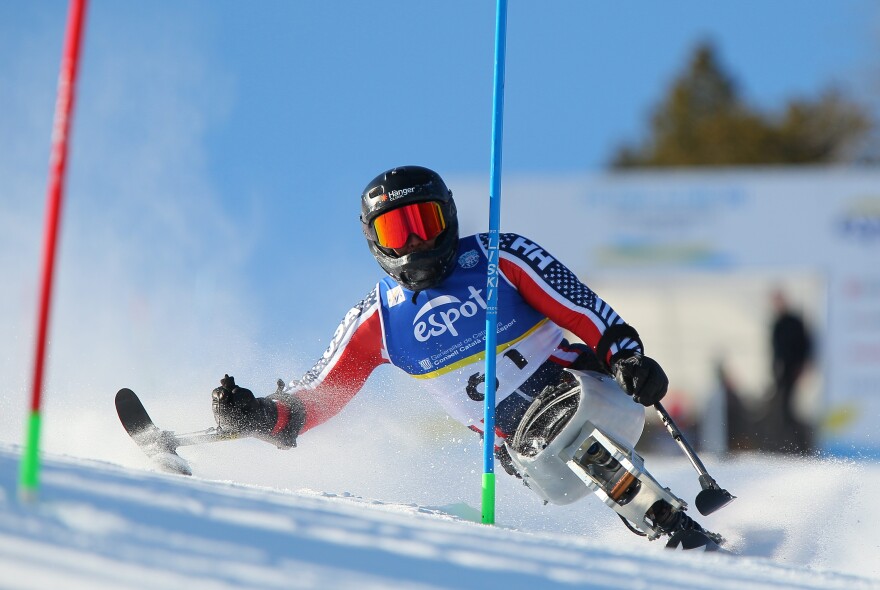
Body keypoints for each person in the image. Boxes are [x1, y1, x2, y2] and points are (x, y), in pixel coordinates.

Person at [210, 165, 705, 545]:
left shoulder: (500, 258)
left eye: (424, 224)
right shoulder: (378, 320)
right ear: (374, 242)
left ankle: (664, 521)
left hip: (579, 389)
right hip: (516, 446)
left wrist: (624, 356)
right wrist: (263, 416)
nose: (415, 244)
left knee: (587, 437)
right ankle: (653, 521)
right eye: (396, 233)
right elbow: (320, 393)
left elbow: (582, 308)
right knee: (561, 453)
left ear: (448, 217)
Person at [768, 288, 815, 453]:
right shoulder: (777, 323)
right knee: (782, 410)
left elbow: (805, 346)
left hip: (793, 371)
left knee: (792, 410)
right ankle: (786, 445)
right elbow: (775, 351)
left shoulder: (794, 322)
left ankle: (800, 445)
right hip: (781, 374)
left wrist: (802, 368)